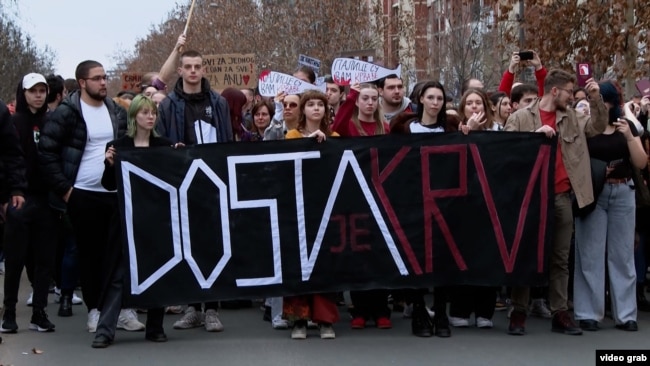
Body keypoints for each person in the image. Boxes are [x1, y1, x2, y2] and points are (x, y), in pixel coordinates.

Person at [38, 60, 144, 333]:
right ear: (82, 83)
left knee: (118, 255)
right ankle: (95, 310)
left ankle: (120, 310)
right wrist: (65, 189)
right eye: (97, 78)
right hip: (82, 194)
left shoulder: (114, 110)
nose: (103, 82)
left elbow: (126, 144)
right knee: (90, 255)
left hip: (114, 192)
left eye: (105, 77)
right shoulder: (67, 112)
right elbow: (47, 153)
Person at [504, 69, 607, 336]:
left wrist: (596, 99)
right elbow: (504, 154)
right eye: (569, 92)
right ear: (554, 91)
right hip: (529, 198)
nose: (572, 97)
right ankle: (519, 310)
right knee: (525, 254)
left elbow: (596, 128)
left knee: (560, 257)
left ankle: (559, 311)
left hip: (561, 196)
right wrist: (533, 138)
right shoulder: (520, 118)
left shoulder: (573, 118)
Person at [156, 49, 231, 332]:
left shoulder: (219, 102)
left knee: (213, 243)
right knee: (186, 244)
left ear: (203, 69)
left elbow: (227, 139)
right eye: (187, 67)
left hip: (213, 182)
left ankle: (211, 308)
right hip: (182, 182)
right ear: (180, 70)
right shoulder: (168, 105)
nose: (193, 71)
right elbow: (162, 142)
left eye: (197, 66)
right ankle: (191, 307)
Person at [91, 95, 175, 348]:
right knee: (119, 274)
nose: (150, 117)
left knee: (159, 270)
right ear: (134, 116)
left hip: (157, 220)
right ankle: (105, 330)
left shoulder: (164, 145)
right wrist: (108, 165)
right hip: (126, 220)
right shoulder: (119, 146)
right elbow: (108, 185)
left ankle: (155, 326)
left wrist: (180, 158)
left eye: (153, 113)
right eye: (144, 113)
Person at [573, 81, 647, 332]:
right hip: (594, 193)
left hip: (623, 192)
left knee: (623, 255)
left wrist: (629, 135)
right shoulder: (586, 127)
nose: (604, 105)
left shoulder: (624, 126)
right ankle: (588, 313)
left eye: (607, 100)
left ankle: (626, 315)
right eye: (600, 100)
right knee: (590, 254)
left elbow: (640, 161)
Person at [389, 80, 457, 338]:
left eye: (440, 98)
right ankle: (418, 311)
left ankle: (441, 313)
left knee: (443, 258)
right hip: (412, 201)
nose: (435, 103)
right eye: (431, 98)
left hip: (444, 202)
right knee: (414, 256)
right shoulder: (405, 128)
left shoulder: (450, 127)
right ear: (421, 100)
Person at [332, 83, 392, 329]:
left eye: (373, 99)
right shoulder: (349, 125)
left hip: (379, 195)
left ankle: (381, 310)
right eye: (364, 98)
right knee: (357, 253)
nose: (369, 103)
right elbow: (336, 127)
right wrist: (351, 94)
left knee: (379, 252)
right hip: (353, 196)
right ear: (357, 101)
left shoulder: (384, 128)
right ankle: (359, 308)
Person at [283, 90, 339, 339]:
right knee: (298, 264)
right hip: (298, 208)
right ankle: (299, 321)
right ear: (303, 110)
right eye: (311, 105)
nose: (316, 109)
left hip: (325, 208)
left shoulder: (335, 137)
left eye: (321, 105)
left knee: (325, 265)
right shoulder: (292, 135)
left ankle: (325, 320)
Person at [1, 74, 54, 334]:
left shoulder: (51, 122)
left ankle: (39, 313)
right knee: (15, 259)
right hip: (20, 198)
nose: (38, 95)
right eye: (33, 90)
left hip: (46, 200)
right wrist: (8, 194)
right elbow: (9, 159)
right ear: (23, 93)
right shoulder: (13, 122)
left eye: (42, 90)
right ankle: (9, 312)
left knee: (44, 260)